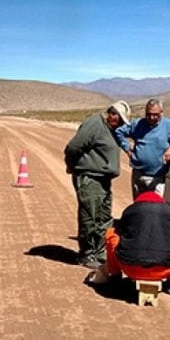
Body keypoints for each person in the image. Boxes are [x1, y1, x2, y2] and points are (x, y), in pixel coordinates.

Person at [64, 100, 131, 268]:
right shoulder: (95, 123)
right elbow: (73, 147)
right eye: (119, 119)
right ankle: (86, 254)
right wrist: (73, 166)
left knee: (104, 218)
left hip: (104, 179)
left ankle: (100, 252)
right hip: (90, 178)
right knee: (90, 216)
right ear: (111, 114)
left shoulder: (111, 128)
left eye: (123, 121)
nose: (120, 123)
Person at [104, 190, 170, 295]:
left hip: (129, 269)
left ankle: (115, 278)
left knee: (111, 234)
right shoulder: (169, 211)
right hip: (162, 271)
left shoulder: (130, 210)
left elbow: (119, 230)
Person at [115, 98, 170, 199]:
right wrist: (126, 147)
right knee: (139, 207)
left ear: (161, 113)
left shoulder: (169, 125)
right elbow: (119, 132)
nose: (151, 117)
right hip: (138, 174)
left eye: (155, 114)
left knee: (155, 208)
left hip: (158, 177)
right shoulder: (137, 124)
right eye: (148, 114)